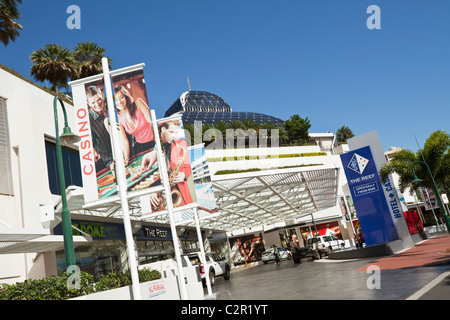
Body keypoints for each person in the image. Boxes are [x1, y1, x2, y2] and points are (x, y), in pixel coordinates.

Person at [148, 120, 193, 210]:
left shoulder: (181, 144)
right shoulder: (150, 148)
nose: (173, 136)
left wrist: (184, 175)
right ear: (163, 129)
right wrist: (149, 191)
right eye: (171, 132)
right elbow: (145, 177)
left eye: (175, 133)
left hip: (180, 193)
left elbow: (188, 167)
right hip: (159, 196)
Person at [114, 85, 155, 164]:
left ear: (126, 96)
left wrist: (159, 143)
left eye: (121, 97)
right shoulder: (118, 118)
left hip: (154, 141)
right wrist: (126, 159)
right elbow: (124, 140)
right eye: (115, 100)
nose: (119, 102)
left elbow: (152, 122)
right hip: (140, 147)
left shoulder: (138, 103)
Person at [86, 85, 114, 173]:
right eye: (93, 102)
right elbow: (91, 145)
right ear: (88, 103)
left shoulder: (110, 109)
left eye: (98, 100)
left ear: (101, 96)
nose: (97, 104)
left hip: (124, 155)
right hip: (109, 163)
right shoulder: (88, 121)